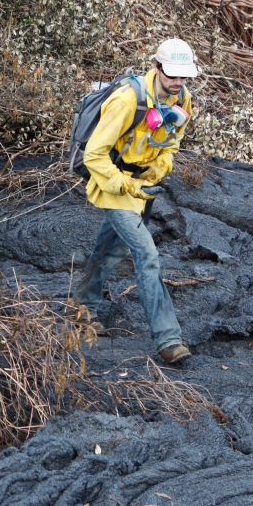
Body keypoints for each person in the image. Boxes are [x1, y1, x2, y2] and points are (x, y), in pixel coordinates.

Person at [69, 38, 198, 364]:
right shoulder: (128, 101)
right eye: (173, 75)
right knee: (147, 254)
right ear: (156, 67)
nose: (179, 82)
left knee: (111, 247)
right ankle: (169, 340)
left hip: (143, 186)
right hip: (113, 185)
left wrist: (159, 168)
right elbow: (95, 154)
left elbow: (172, 143)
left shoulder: (183, 98)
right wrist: (125, 185)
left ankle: (82, 305)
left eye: (185, 76)